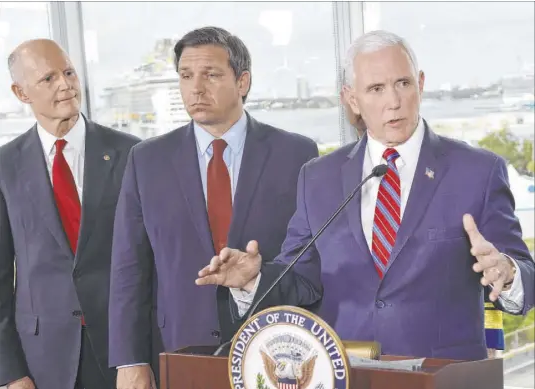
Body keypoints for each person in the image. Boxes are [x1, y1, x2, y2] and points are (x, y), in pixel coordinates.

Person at [195, 30, 535, 361]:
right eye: (376, 88)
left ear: (420, 83)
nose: (394, 101)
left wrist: (507, 274)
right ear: (352, 99)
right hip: (348, 372)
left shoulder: (477, 171)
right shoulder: (317, 178)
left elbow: (526, 280)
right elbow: (300, 279)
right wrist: (253, 280)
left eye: (403, 83)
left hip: (443, 376)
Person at [108, 26, 318, 388]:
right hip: (179, 348)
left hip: (274, 349)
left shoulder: (296, 154)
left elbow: (308, 260)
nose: (195, 88)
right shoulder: (147, 160)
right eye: (186, 76)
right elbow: (129, 268)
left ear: (243, 82)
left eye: (211, 74)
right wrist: (130, 360)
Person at [0, 39, 140, 389]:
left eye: (68, 72)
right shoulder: (4, 167)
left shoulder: (131, 153)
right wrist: (10, 373)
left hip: (123, 351)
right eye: (48, 79)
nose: (65, 84)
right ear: (21, 93)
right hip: (42, 358)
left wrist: (138, 355)